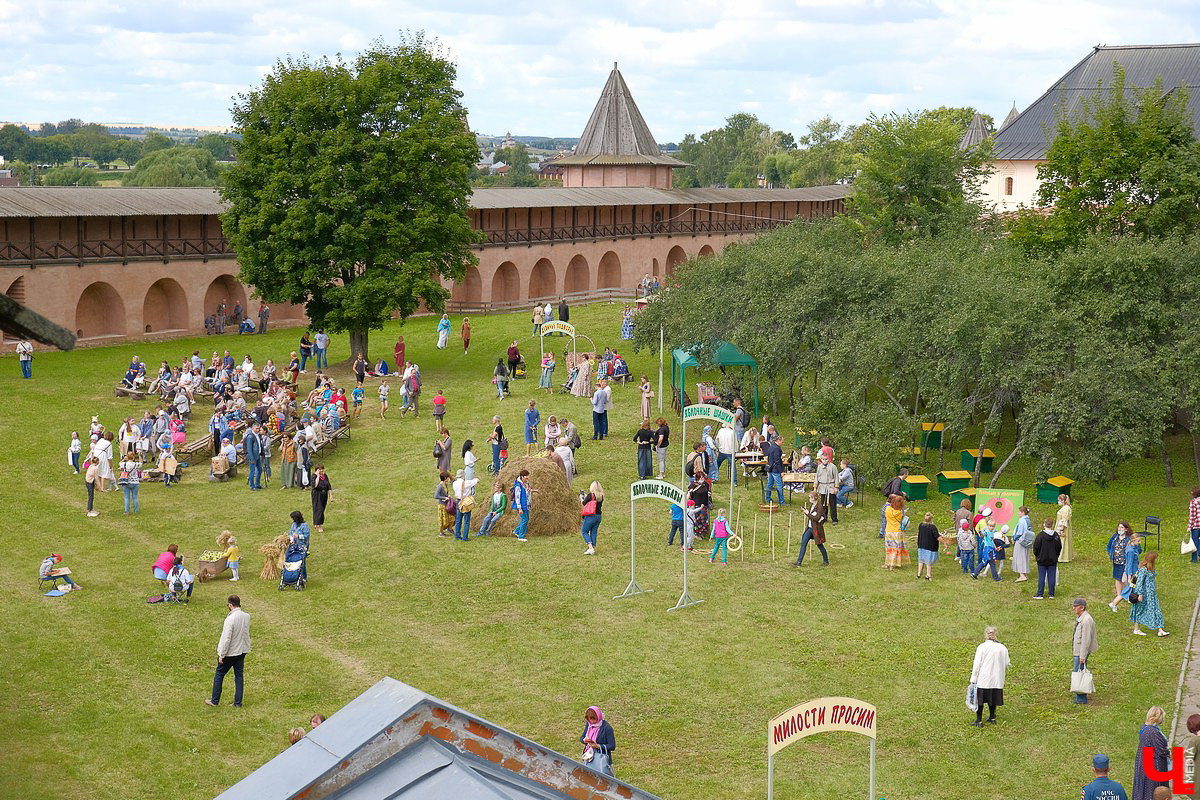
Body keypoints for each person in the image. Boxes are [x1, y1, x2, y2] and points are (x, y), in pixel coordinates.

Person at [207, 596, 251, 708]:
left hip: (231, 652)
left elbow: (226, 638)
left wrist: (221, 654)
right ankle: (238, 703)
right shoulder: (246, 616)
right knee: (239, 676)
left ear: (230, 605)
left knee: (219, 674)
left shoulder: (230, 619)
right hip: (242, 650)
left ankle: (214, 700)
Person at [969, 626, 1010, 727]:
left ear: (985, 634)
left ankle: (979, 720)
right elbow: (1007, 663)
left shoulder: (982, 647)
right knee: (993, 697)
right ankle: (992, 717)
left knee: (980, 699)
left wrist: (973, 678)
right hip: (997, 678)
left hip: (984, 678)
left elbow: (977, 664)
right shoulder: (1002, 648)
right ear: (996, 634)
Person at [1133, 707, 1170, 800]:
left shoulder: (1145, 728)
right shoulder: (1153, 731)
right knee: (1152, 788)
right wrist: (1169, 753)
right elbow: (1161, 750)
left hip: (1144, 761)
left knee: (1144, 787)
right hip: (1153, 764)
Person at [1130, 551, 1169, 637]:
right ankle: (1136, 629)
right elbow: (1139, 583)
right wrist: (1139, 594)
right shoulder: (1143, 570)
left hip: (1152, 594)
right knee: (1139, 610)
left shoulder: (1151, 568)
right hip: (1144, 594)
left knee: (1156, 609)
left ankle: (1160, 629)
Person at [1072, 597, 1098, 704]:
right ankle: (1080, 697)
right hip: (1079, 651)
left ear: (1082, 608)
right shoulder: (1082, 618)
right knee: (1079, 672)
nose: (1073, 608)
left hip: (1081, 652)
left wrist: (1082, 656)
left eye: (1075, 606)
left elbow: (1086, 640)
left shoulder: (1086, 620)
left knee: (1080, 673)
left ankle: (1081, 698)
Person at [793, 491, 829, 569]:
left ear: (814, 498)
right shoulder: (812, 505)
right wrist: (806, 512)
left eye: (810, 497)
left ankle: (826, 560)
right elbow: (811, 516)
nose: (809, 499)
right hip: (810, 529)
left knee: (820, 545)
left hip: (816, 529)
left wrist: (807, 513)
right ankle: (799, 562)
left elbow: (816, 518)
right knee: (803, 543)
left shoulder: (819, 507)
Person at [579, 706, 615, 777]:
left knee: (605, 779)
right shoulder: (589, 725)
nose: (592, 722)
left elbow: (612, 746)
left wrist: (598, 746)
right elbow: (582, 738)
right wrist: (585, 740)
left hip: (602, 760)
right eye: (589, 720)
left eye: (594, 720)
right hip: (589, 757)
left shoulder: (607, 728)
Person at [1033, 517, 1062, 600]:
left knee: (1041, 576)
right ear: (1052, 525)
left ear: (1044, 524)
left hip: (1041, 559)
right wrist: (1056, 555)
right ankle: (1051, 594)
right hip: (1053, 559)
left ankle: (1040, 594)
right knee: (1051, 576)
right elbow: (1059, 547)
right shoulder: (1056, 535)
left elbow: (1036, 548)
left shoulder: (1040, 536)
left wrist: (1037, 556)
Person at [1107, 521, 1134, 611]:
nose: (1120, 529)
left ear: (1126, 529)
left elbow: (1137, 549)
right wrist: (1110, 553)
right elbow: (1109, 546)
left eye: (1122, 527)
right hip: (1116, 562)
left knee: (1126, 580)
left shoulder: (1129, 539)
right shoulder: (1115, 537)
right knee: (1118, 579)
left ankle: (1128, 596)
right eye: (1119, 527)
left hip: (1125, 562)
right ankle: (1119, 595)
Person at [883, 494, 910, 571]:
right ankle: (892, 565)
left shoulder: (887, 509)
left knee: (889, 548)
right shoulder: (901, 512)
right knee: (895, 548)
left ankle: (887, 563)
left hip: (888, 531)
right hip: (897, 532)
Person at [452, 469, 479, 541]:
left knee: (458, 519)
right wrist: (476, 478)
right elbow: (476, 481)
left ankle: (457, 535)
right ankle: (465, 537)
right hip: (466, 501)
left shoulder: (454, 483)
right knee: (466, 520)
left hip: (458, 501)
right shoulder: (466, 483)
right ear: (463, 475)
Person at [881, 468, 908, 538]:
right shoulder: (898, 481)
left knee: (886, 516)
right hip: (892, 501)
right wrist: (902, 494)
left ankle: (883, 532)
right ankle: (884, 533)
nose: (907, 476)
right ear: (904, 474)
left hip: (890, 499)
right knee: (889, 516)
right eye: (907, 474)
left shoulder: (895, 479)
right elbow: (895, 491)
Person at [581, 481, 604, 555]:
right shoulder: (601, 496)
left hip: (590, 515)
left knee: (584, 531)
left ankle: (590, 547)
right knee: (594, 531)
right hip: (598, 516)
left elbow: (584, 503)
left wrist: (582, 498)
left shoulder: (590, 495)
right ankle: (593, 547)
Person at [916, 512, 941, 580]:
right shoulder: (933, 527)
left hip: (921, 545)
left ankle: (918, 573)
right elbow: (937, 537)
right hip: (929, 547)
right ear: (931, 519)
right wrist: (944, 542)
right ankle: (928, 575)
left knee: (921, 560)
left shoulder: (921, 525)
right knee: (928, 562)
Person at [814, 452, 838, 524]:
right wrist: (815, 487)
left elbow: (836, 477)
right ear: (821, 459)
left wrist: (836, 487)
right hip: (822, 488)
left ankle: (834, 519)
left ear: (828, 459)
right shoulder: (819, 467)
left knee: (832, 504)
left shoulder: (833, 467)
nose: (824, 460)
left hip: (830, 487)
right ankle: (824, 517)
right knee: (823, 504)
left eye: (826, 459)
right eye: (823, 459)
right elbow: (817, 477)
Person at [1011, 506, 1033, 582]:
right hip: (1027, 540)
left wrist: (1014, 538)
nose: (1018, 513)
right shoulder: (1028, 519)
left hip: (1021, 540)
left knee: (1019, 557)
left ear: (1023, 512)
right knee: (1025, 556)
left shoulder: (1021, 520)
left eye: (1019, 511)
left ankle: (1022, 575)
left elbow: (1019, 532)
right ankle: (1024, 572)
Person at [119, 450, 142, 514]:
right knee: (135, 497)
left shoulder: (124, 464)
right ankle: (136, 511)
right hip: (135, 482)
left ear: (127, 457)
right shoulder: (136, 464)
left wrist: (124, 459)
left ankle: (127, 511)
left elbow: (119, 464)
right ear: (133, 457)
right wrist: (139, 456)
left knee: (127, 497)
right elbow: (141, 463)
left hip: (127, 482)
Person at [311, 464, 332, 533]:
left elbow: (328, 485)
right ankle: (319, 525)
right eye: (320, 470)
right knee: (318, 509)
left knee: (322, 509)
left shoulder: (325, 476)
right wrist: (317, 476)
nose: (322, 471)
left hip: (324, 494)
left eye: (322, 470)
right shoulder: (314, 476)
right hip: (317, 494)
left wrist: (330, 495)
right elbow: (315, 485)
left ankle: (316, 523)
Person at [764, 435, 784, 506]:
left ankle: (768, 498)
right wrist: (781, 471)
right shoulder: (776, 449)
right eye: (782, 442)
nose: (782, 443)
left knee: (769, 484)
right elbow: (777, 461)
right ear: (778, 441)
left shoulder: (771, 447)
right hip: (775, 469)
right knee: (779, 485)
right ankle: (782, 501)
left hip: (770, 468)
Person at [715, 422, 737, 486]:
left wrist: (718, 447)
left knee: (717, 465)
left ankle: (713, 478)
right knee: (733, 467)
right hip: (730, 451)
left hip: (722, 451)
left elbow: (716, 440)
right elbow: (735, 442)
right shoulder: (732, 432)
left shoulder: (720, 431)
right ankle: (734, 481)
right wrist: (735, 450)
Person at [434, 471, 454, 537]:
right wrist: (445, 498)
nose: (449, 479)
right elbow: (436, 496)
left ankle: (449, 528)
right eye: (448, 477)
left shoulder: (445, 485)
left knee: (451, 517)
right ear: (445, 478)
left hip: (446, 504)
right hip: (442, 505)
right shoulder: (440, 486)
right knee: (442, 519)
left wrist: (448, 496)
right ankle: (441, 532)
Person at [512, 470, 531, 541]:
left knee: (526, 519)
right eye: (526, 476)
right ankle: (521, 536)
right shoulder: (518, 485)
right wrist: (519, 508)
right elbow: (517, 497)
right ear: (522, 477)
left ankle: (517, 531)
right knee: (524, 519)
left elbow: (526, 492)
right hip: (522, 506)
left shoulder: (525, 483)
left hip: (526, 504)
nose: (527, 478)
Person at [1056, 493, 1073, 564]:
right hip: (1063, 526)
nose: (1058, 502)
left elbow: (1064, 520)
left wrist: (1061, 530)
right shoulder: (1066, 508)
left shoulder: (1066, 509)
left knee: (1062, 541)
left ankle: (1062, 557)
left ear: (1063, 500)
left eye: (1059, 500)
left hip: (1063, 527)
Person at [1189, 488, 1200, 563]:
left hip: (1196, 525)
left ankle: (1194, 559)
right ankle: (1194, 559)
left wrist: (1189, 526)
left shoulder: (1193, 502)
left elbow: (1192, 516)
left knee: (1194, 541)